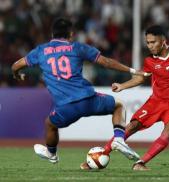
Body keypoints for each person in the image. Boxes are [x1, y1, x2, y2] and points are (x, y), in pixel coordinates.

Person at [80, 11, 169, 170]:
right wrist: (122, 86)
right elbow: (141, 78)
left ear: (163, 41)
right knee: (131, 126)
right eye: (148, 43)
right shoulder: (150, 61)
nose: (150, 46)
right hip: (156, 102)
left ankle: (141, 163)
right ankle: (102, 155)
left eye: (153, 42)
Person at [11, 18, 150, 165]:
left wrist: (17, 75)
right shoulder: (77, 48)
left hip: (65, 108)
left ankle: (52, 154)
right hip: (88, 100)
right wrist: (132, 70)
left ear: (52, 34)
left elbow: (16, 65)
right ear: (71, 34)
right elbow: (106, 62)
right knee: (119, 105)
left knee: (50, 124)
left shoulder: (40, 51)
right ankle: (119, 139)